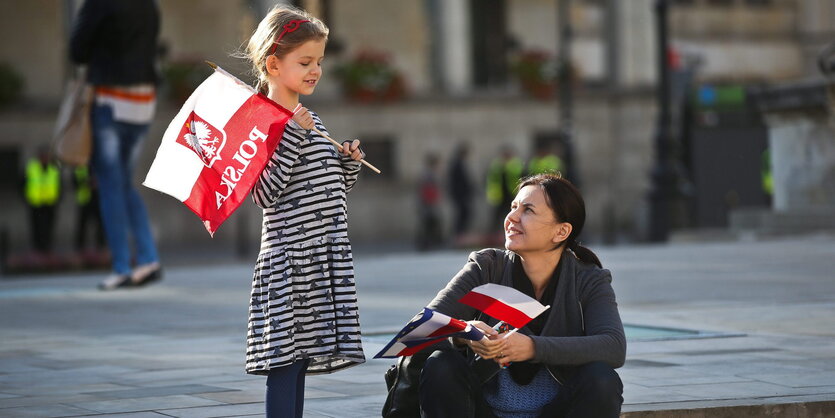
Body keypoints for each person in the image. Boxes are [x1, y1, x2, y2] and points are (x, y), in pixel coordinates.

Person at [418, 173, 625, 417]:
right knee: (440, 365)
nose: (511, 218)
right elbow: (421, 330)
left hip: (558, 410)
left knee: (602, 379)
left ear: (561, 232)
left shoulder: (588, 279)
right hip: (482, 409)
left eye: (528, 210)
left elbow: (613, 346)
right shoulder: (486, 267)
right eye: (513, 207)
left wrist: (533, 347)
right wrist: (465, 334)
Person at [244, 6, 367, 417]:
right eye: (305, 62)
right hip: (289, 262)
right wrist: (294, 136)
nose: (316, 70)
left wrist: (347, 164)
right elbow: (264, 194)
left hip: (321, 256)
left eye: (319, 62)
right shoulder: (265, 123)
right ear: (273, 64)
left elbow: (328, 189)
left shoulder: (309, 118)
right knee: (285, 362)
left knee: (301, 362)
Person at [69, 0, 162, 290]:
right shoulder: (149, 5)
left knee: (110, 185)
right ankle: (148, 259)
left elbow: (77, 50)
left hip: (111, 98)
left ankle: (122, 266)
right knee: (123, 183)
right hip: (144, 101)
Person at [23, 145, 61, 257]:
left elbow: (59, 184)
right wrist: (27, 199)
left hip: (50, 203)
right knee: (36, 227)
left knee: (49, 227)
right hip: (35, 203)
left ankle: (47, 248)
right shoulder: (31, 167)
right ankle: (37, 249)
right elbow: (22, 184)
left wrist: (57, 199)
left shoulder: (54, 167)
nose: (45, 158)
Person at [486, 146, 523, 234]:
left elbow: (521, 177)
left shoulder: (516, 164)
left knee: (514, 215)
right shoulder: (496, 165)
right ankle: (494, 234)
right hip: (499, 195)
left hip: (512, 194)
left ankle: (514, 232)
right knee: (497, 217)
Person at [447, 142, 474, 242]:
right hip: (460, 195)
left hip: (461, 195)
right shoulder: (457, 164)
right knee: (462, 214)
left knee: (464, 214)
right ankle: (458, 236)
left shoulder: (459, 163)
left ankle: (460, 235)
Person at [417, 153, 443, 251]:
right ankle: (425, 243)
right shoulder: (429, 175)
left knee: (429, 224)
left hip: (429, 204)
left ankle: (428, 243)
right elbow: (428, 190)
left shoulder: (429, 174)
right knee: (428, 224)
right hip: (428, 204)